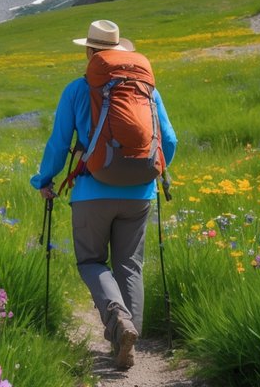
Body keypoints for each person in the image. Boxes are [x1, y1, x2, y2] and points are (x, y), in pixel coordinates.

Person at [31, 20, 177, 371]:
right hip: (140, 192)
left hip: (91, 191)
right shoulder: (147, 91)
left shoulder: (77, 89)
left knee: (91, 262)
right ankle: (128, 341)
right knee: (130, 265)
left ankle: (118, 323)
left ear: (89, 52)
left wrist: (43, 179)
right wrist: (150, 172)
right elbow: (169, 142)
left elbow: (59, 144)